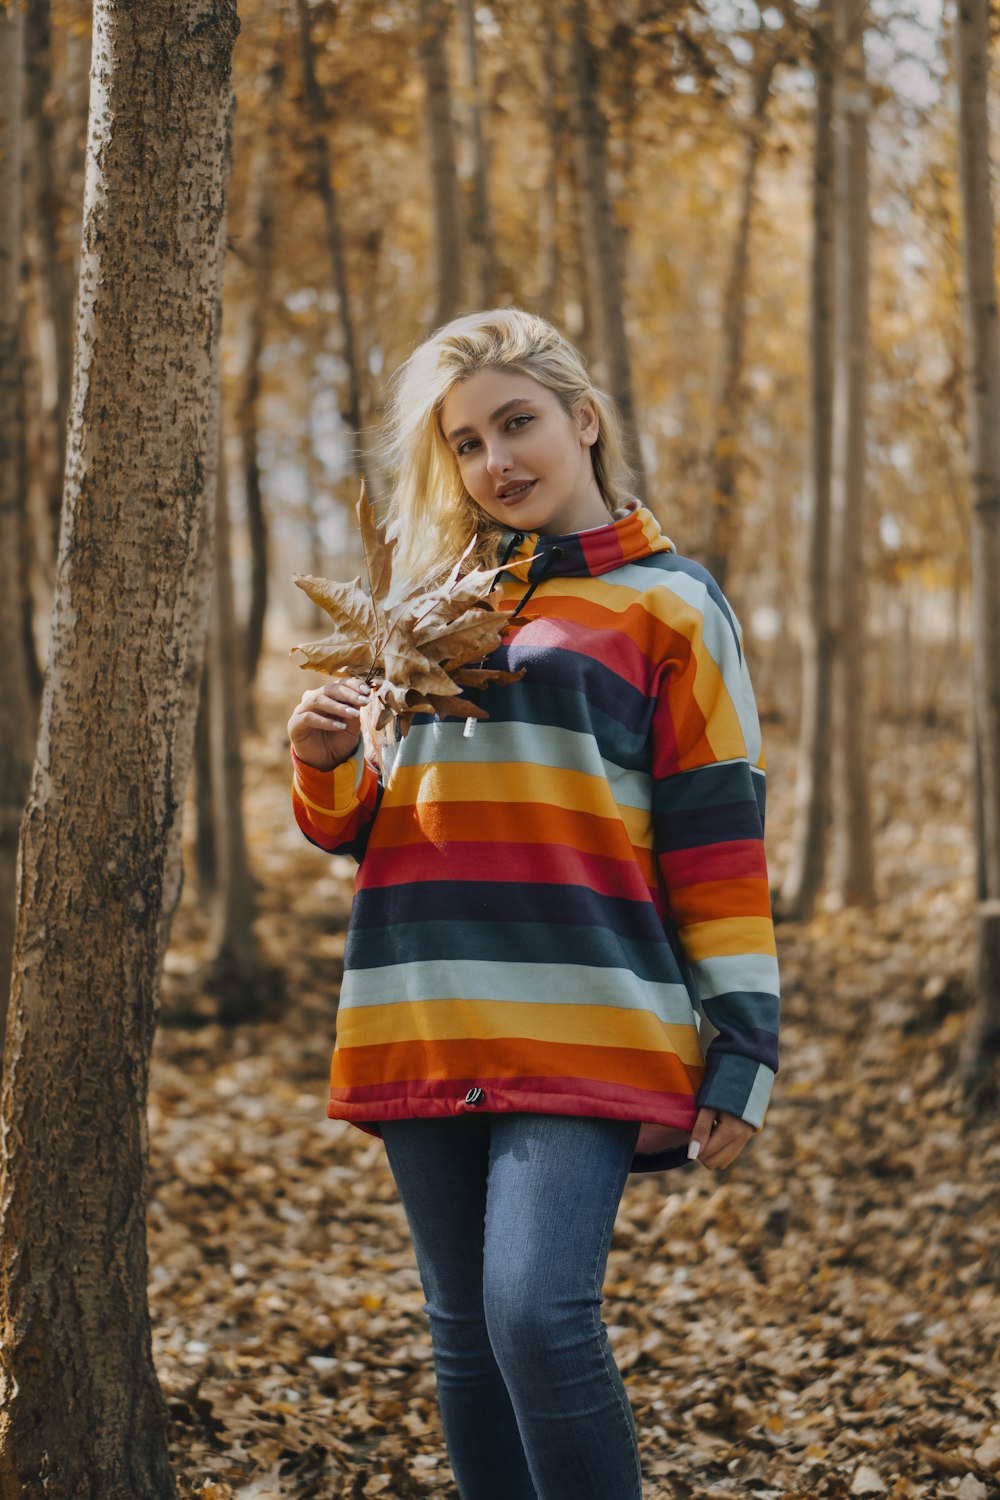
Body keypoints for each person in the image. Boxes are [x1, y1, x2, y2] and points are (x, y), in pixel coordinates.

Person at [287, 308, 780, 1500]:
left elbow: (718, 834)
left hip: (588, 1009)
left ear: (584, 420)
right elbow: (368, 823)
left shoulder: (671, 604)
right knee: (463, 1332)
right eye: (465, 442)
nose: (495, 461)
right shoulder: (430, 601)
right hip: (424, 996)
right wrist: (322, 757)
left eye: (519, 423)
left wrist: (745, 1043)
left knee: (536, 1316)